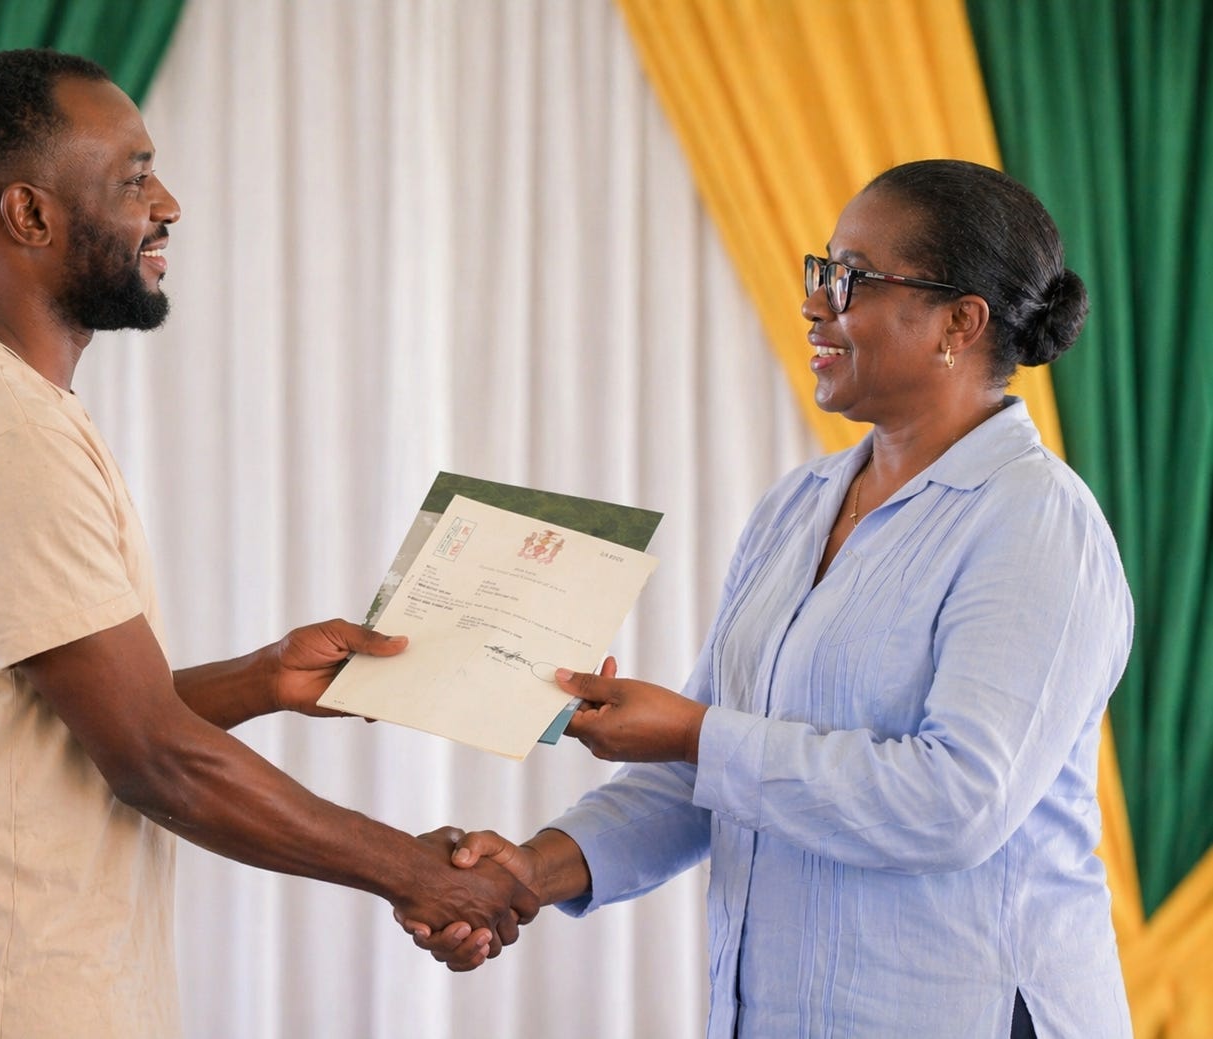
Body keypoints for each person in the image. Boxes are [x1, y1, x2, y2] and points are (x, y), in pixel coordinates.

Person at [0, 48, 535, 1037]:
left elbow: (66, 719)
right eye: (131, 177)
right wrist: (415, 872)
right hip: (9, 1003)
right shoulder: (1, 437)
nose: (166, 203)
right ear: (29, 215)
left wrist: (261, 678)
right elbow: (152, 757)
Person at [404, 159, 1133, 1038]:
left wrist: (690, 731)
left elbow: (953, 805)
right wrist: (529, 869)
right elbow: (700, 775)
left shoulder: (1034, 524)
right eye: (819, 269)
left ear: (959, 322)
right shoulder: (798, 505)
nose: (814, 302)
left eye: (851, 277)